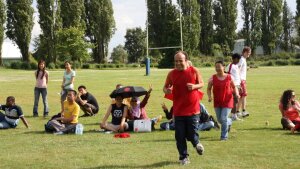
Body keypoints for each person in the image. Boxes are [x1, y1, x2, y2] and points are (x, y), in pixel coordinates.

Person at [163, 51, 204, 165]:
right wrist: (167, 90)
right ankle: (183, 157)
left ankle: (196, 144)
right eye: (176, 61)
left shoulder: (194, 71)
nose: (178, 63)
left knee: (191, 133)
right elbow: (165, 88)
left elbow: (202, 84)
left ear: (186, 61)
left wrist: (194, 86)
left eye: (180, 61)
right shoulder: (171, 74)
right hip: (179, 110)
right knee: (179, 135)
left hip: (193, 109)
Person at [207, 61, 240, 141]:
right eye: (216, 67)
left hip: (227, 100)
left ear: (223, 67)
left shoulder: (229, 77)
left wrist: (237, 94)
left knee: (223, 118)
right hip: (217, 101)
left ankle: (224, 137)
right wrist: (210, 96)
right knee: (219, 120)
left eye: (219, 66)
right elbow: (208, 88)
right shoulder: (212, 78)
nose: (217, 68)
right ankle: (229, 121)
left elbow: (234, 87)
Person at [225, 53, 242, 121]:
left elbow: (237, 76)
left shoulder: (236, 66)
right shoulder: (230, 65)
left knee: (236, 101)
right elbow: (226, 73)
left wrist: (239, 85)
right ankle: (233, 116)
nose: (238, 61)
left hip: (237, 85)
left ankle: (233, 115)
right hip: (233, 86)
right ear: (235, 59)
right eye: (238, 59)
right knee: (234, 101)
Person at [237, 47, 251, 117]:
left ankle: (237, 111)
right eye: (248, 52)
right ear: (245, 52)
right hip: (241, 80)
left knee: (241, 96)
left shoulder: (243, 59)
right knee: (244, 95)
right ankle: (243, 111)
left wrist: (246, 69)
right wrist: (239, 80)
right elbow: (238, 69)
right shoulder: (242, 59)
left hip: (241, 80)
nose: (249, 54)